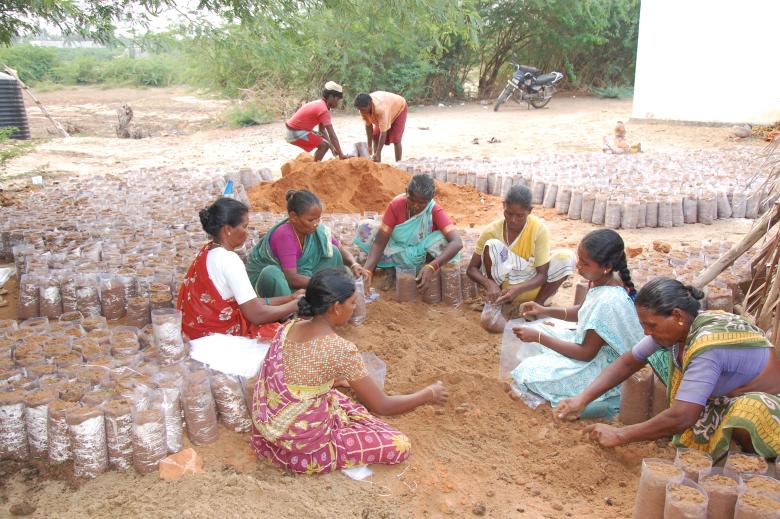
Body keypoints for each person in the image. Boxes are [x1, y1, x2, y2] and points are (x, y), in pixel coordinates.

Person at [250, 268, 448, 474]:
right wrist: (429, 394)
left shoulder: (289, 327)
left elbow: (296, 371)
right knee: (399, 444)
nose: (354, 308)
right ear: (336, 307)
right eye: (352, 302)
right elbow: (383, 406)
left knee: (335, 397)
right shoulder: (340, 349)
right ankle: (325, 448)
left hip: (268, 430)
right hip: (305, 449)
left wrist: (334, 381)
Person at [557, 277, 780, 461]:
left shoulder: (707, 347)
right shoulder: (681, 330)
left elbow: (683, 416)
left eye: (651, 325)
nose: (646, 332)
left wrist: (619, 434)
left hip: (768, 404)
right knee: (661, 358)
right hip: (727, 394)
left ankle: (757, 457)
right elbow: (629, 361)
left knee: (748, 411)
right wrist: (583, 398)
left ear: (677, 316)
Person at [508, 229, 643, 417]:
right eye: (579, 259)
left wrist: (539, 338)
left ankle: (602, 401)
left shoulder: (608, 300)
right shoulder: (604, 280)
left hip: (608, 367)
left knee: (528, 372)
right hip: (593, 349)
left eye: (585, 263)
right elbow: (583, 311)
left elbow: (586, 353)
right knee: (537, 329)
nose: (578, 266)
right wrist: (544, 310)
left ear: (606, 266)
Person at [177, 198, 301, 341]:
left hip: (197, 331)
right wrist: (296, 305)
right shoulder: (229, 260)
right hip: (216, 337)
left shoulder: (207, 251)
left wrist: (289, 299)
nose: (247, 233)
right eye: (245, 226)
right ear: (228, 230)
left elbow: (248, 302)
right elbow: (256, 314)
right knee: (289, 337)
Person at [467, 184, 575, 307]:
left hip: (532, 286)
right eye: (508, 213)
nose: (513, 220)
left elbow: (542, 274)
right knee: (491, 245)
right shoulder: (491, 231)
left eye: (519, 216)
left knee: (565, 257)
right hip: (506, 288)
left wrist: (518, 289)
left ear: (529, 211)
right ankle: (501, 302)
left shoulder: (538, 229)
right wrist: (489, 284)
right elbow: (471, 269)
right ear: (503, 206)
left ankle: (536, 306)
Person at [245, 189, 367, 298]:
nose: (316, 223)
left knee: (333, 252)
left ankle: (320, 295)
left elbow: (339, 248)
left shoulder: (316, 230)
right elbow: (291, 278)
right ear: (294, 217)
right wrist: (326, 283)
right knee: (271, 273)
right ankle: (290, 310)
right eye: (311, 220)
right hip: (276, 282)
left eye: (318, 218)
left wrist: (354, 264)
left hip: (302, 275)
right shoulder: (284, 235)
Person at [355, 173, 462, 291]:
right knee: (365, 227)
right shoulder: (396, 205)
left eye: (421, 203)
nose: (416, 206)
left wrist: (432, 266)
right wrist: (368, 270)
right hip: (395, 249)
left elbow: (457, 242)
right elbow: (380, 241)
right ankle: (392, 268)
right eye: (412, 200)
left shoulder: (435, 210)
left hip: (418, 254)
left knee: (442, 240)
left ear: (430, 200)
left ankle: (406, 269)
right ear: (407, 193)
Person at [285, 81, 346, 161]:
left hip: (291, 130)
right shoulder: (323, 110)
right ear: (331, 97)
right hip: (294, 132)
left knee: (323, 141)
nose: (338, 102)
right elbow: (332, 135)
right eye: (337, 99)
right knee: (324, 145)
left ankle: (314, 164)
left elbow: (322, 131)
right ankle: (314, 168)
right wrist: (341, 154)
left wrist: (332, 148)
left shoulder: (321, 105)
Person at [354, 91, 408, 162]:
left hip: (399, 108)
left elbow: (383, 133)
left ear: (369, 105)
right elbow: (368, 126)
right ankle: (377, 162)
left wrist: (378, 152)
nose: (361, 112)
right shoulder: (362, 109)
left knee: (396, 139)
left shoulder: (380, 109)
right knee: (375, 136)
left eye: (363, 110)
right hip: (387, 106)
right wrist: (369, 146)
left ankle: (398, 163)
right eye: (359, 109)